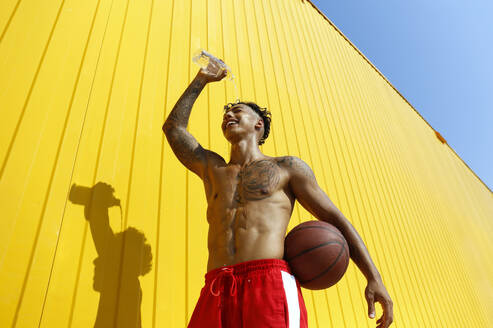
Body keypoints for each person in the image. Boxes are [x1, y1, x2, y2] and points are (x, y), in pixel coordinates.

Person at [162, 60, 393, 328]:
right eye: (225, 114)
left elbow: (335, 219)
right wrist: (201, 80)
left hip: (268, 282)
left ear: (258, 124)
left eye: (237, 111)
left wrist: (373, 277)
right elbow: (174, 129)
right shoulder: (212, 169)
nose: (228, 116)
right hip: (218, 284)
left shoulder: (287, 168)